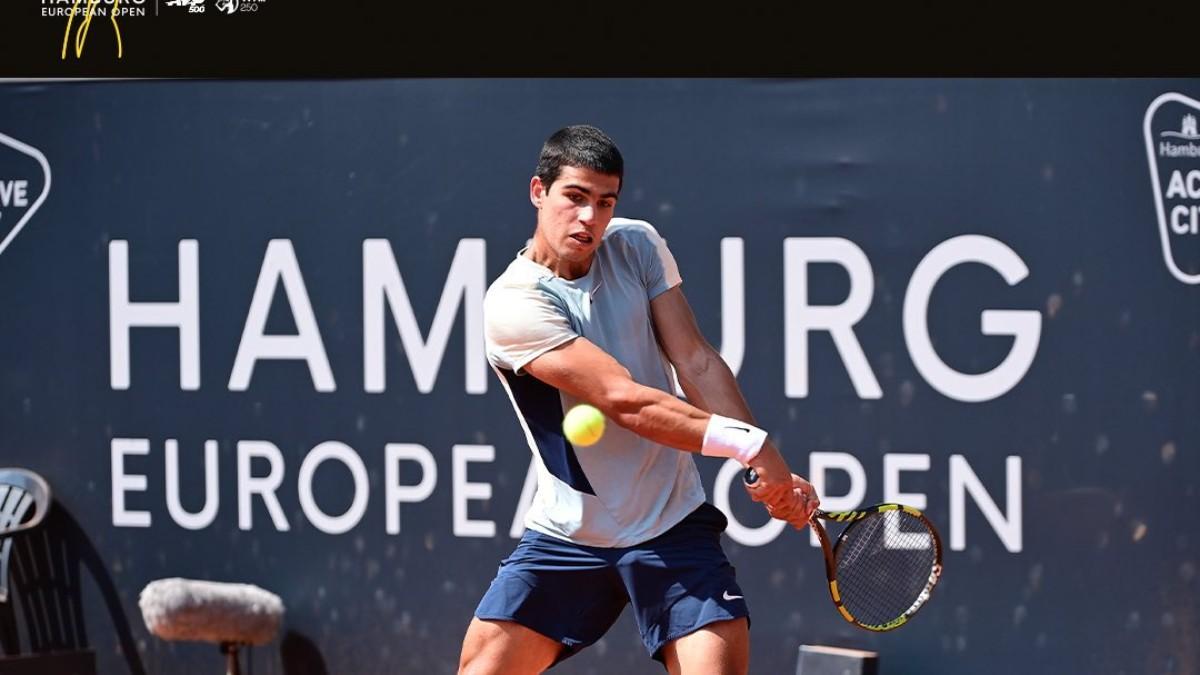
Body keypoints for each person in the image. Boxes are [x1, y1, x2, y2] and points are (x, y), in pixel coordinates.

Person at [457, 125, 820, 675]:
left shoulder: (636, 244)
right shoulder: (515, 305)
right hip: (567, 535)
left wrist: (757, 462)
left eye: (604, 203)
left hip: (672, 525)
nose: (589, 219)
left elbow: (694, 360)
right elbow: (624, 400)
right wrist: (754, 443)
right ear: (539, 192)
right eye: (574, 198)